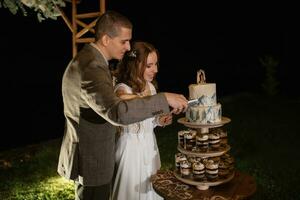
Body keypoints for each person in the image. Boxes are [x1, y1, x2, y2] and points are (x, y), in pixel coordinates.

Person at [57, 10, 188, 200]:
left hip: (94, 153)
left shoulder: (90, 61)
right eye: (123, 41)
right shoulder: (92, 67)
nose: (128, 48)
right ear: (106, 39)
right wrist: (164, 99)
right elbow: (118, 112)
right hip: (93, 158)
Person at [112, 41, 171, 200]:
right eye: (149, 65)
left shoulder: (150, 87)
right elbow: (127, 108)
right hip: (130, 149)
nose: (156, 70)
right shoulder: (122, 89)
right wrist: (162, 100)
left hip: (149, 145)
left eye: (156, 64)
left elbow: (149, 120)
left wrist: (160, 120)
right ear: (136, 65)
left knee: (151, 190)